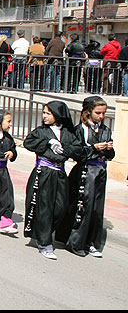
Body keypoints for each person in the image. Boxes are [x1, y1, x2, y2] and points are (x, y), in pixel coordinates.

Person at [23, 101, 82, 260]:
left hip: (60, 174)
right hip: (44, 173)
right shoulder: (41, 132)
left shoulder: (68, 134)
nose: (44, 116)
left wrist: (65, 148)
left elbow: (78, 151)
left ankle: (45, 232)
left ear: (58, 115)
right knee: (44, 208)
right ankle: (45, 242)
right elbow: (28, 142)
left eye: (48, 113)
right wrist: (48, 142)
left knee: (60, 208)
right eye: (43, 113)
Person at [56, 97, 113, 258]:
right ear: (88, 112)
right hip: (85, 171)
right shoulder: (80, 130)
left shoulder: (105, 130)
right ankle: (75, 242)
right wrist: (93, 148)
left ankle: (92, 242)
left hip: (100, 171)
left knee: (96, 208)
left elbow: (110, 155)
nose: (101, 116)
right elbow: (75, 153)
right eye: (98, 113)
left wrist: (108, 149)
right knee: (82, 206)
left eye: (103, 113)